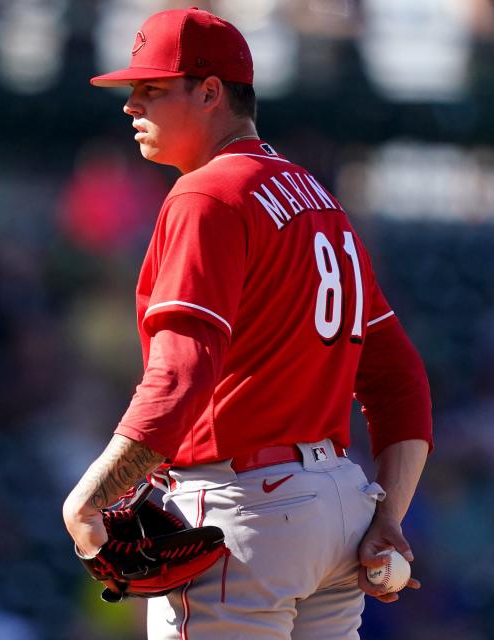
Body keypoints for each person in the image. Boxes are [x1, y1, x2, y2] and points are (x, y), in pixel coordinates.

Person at [62, 7, 432, 640]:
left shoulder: (208, 195)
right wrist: (389, 513)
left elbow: (180, 379)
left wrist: (91, 496)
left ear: (210, 93)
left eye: (152, 89)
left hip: (246, 513)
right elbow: (400, 380)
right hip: (339, 510)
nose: (131, 106)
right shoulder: (319, 201)